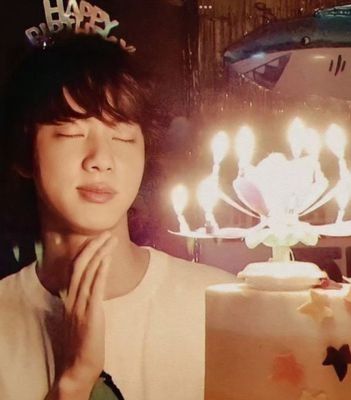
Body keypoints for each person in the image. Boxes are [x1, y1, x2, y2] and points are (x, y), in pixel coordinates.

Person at [0, 33, 234, 400]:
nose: (100, 159)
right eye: (70, 133)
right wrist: (75, 381)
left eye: (123, 138)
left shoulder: (219, 303)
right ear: (22, 154)